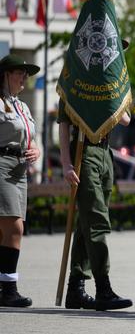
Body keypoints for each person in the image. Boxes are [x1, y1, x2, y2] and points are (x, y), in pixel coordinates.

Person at [59, 98, 133, 311]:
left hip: (105, 151)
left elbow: (126, 119)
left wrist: (112, 95)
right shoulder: (74, 83)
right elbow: (63, 125)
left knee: (85, 224)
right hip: (84, 151)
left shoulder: (107, 85)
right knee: (97, 221)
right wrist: (66, 163)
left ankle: (76, 289)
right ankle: (103, 288)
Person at [0, 55, 40, 307]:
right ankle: (9, 288)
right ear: (5, 74)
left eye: (26, 73)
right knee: (15, 228)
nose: (24, 77)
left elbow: (30, 138)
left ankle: (3, 286)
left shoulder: (21, 106)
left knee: (4, 231)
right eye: (19, 72)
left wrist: (35, 149)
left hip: (20, 170)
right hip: (2, 165)